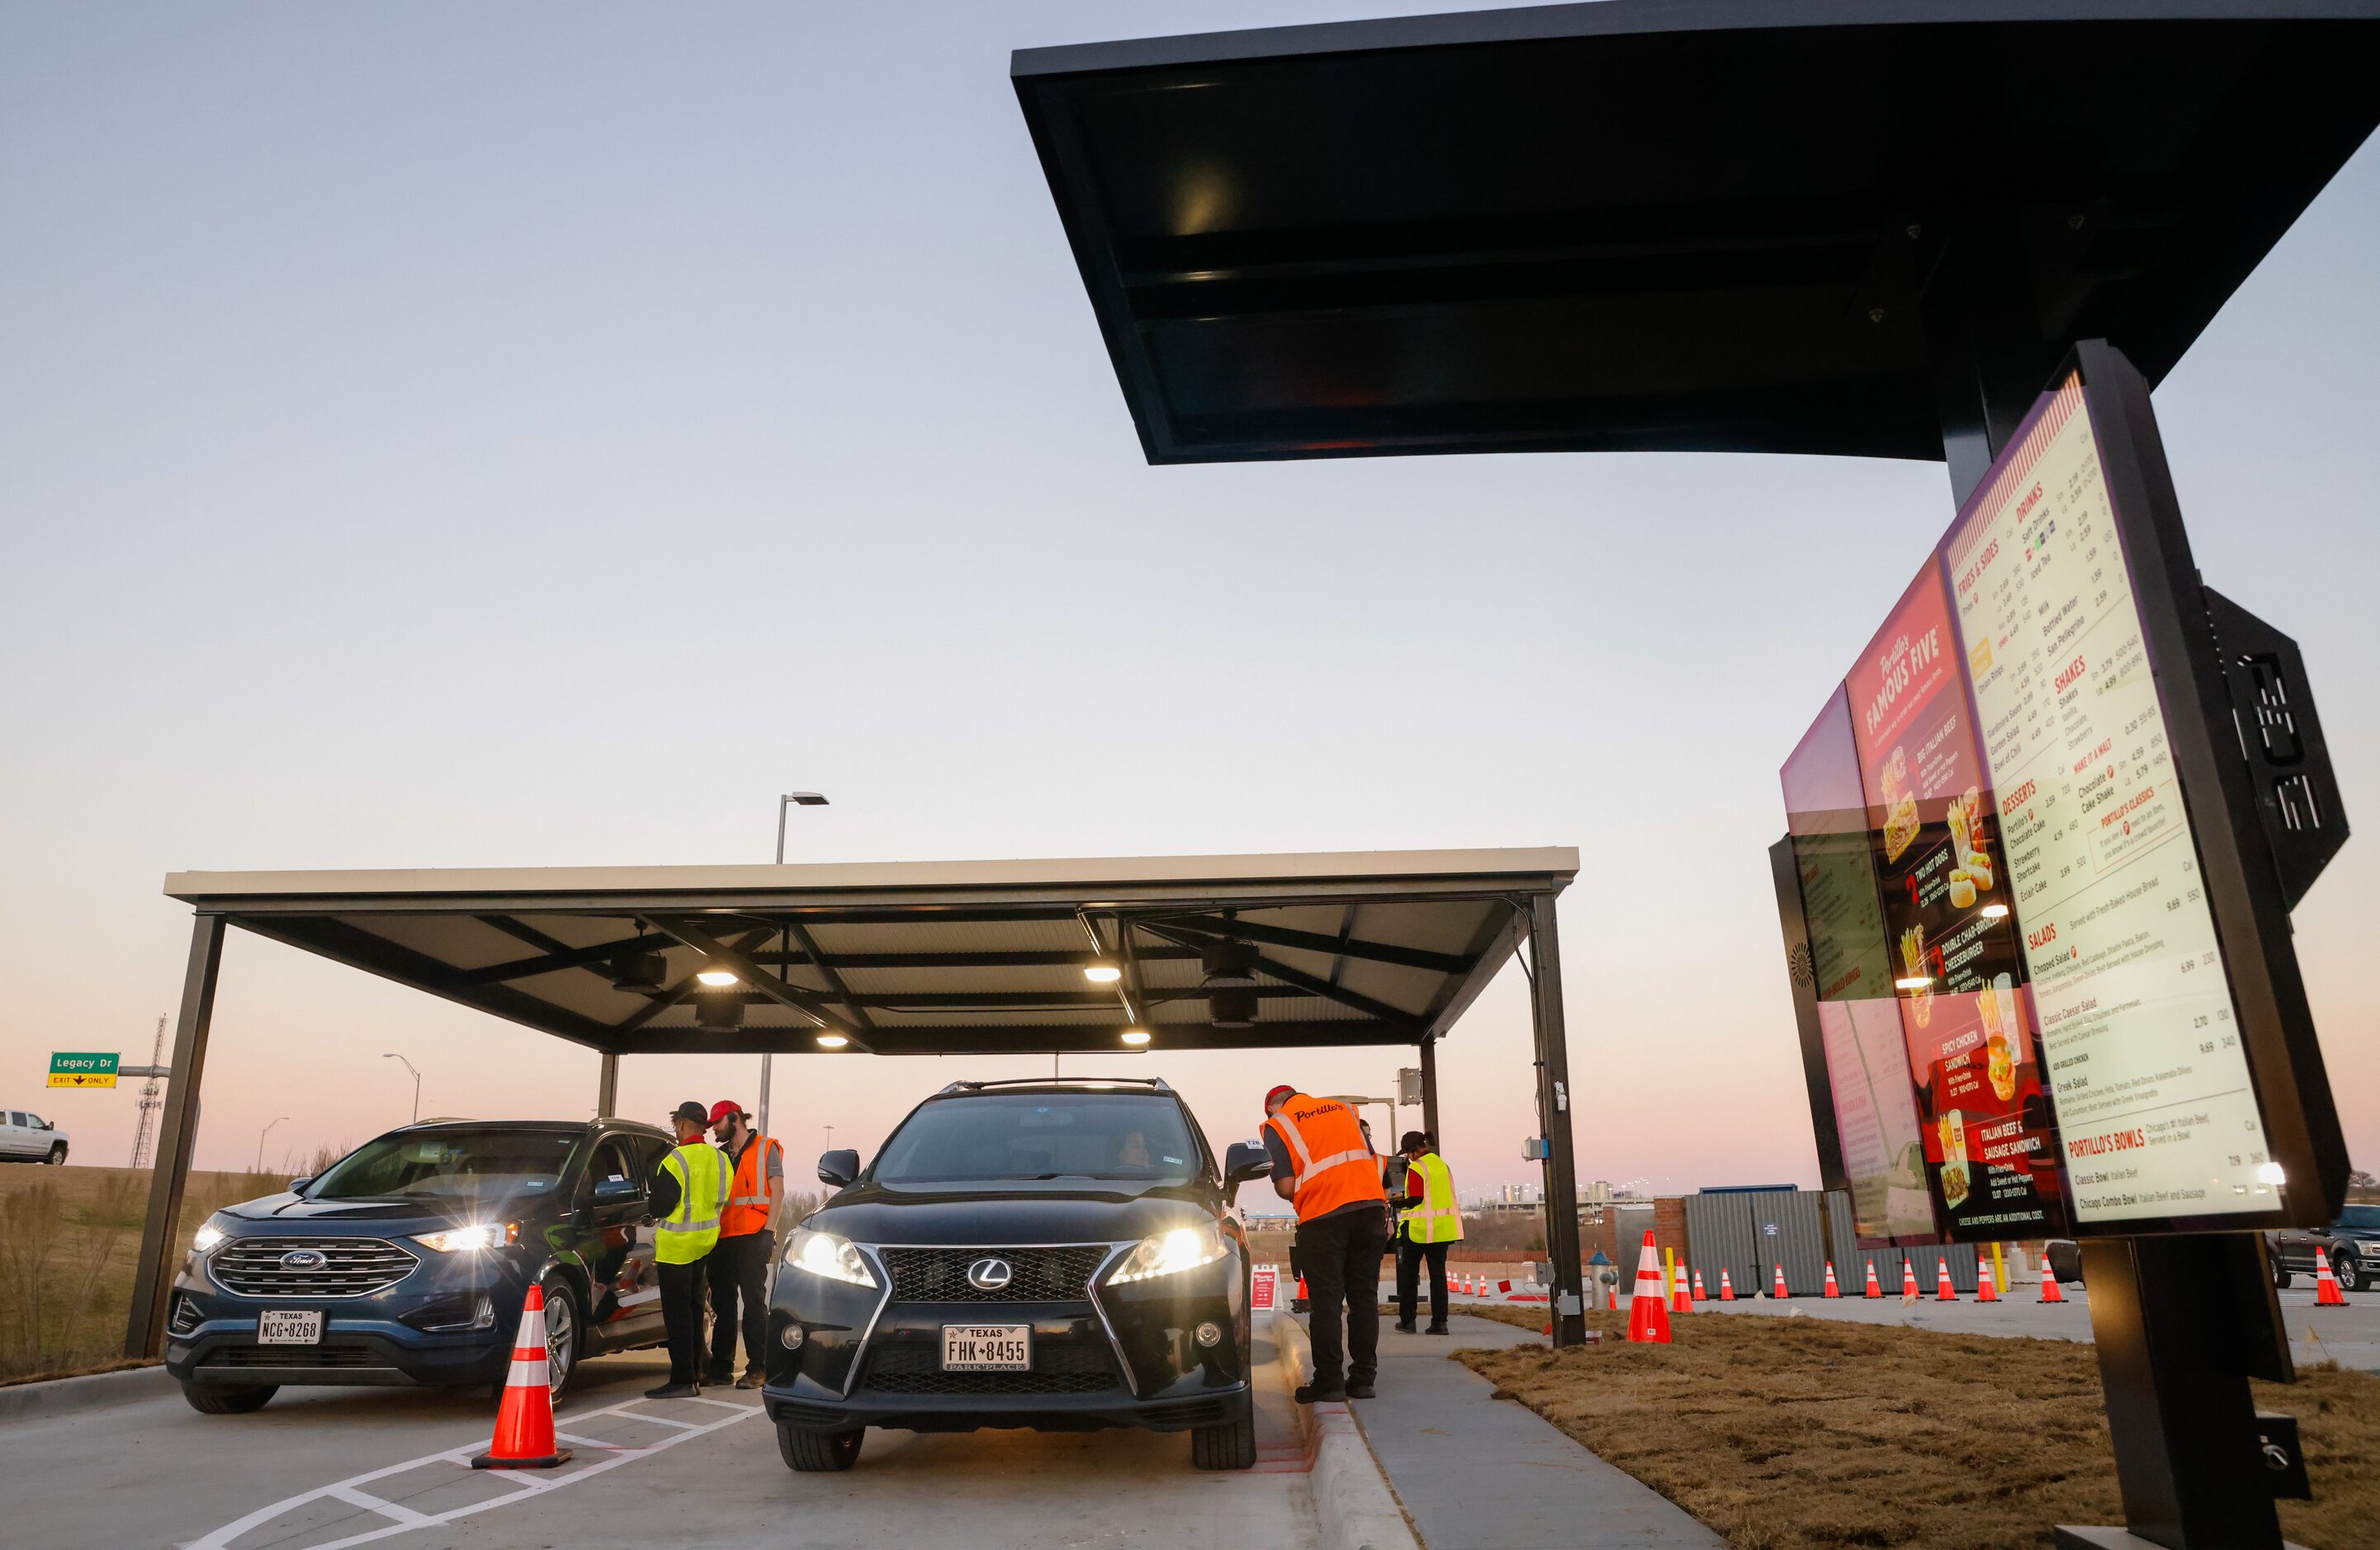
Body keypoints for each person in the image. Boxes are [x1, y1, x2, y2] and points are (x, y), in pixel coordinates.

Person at [1261, 1085, 1389, 1402]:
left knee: (1327, 1301)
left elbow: (1287, 1185)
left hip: (1323, 1214)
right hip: (1370, 1207)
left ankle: (1330, 1382)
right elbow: (1369, 1158)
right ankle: (1363, 1380)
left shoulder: (1277, 1125)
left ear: (1273, 1108)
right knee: (1363, 1296)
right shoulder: (1344, 1110)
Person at [645, 1099, 730, 1398]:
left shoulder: (674, 1161)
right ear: (705, 1126)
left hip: (677, 1248)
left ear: (681, 1125)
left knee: (678, 1316)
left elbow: (659, 1206)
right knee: (695, 1311)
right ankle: (697, 1372)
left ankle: (682, 1380)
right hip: (706, 1243)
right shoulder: (721, 1160)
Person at [705, 1100, 783, 1390]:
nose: (714, 1128)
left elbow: (778, 1189)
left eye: (718, 1123)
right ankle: (722, 1367)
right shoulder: (719, 1155)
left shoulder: (766, 1147)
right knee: (724, 1304)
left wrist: (770, 1231)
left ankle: (759, 1368)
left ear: (734, 1118)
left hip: (753, 1235)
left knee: (753, 1302)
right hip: (723, 1237)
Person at [1392, 1131, 1461, 1335]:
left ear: (1413, 1151)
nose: (1408, 1158)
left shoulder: (1417, 1168)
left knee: (1409, 1276)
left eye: (1407, 1154)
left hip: (1418, 1231)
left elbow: (1416, 1199)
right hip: (1442, 1231)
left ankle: (1408, 1321)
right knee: (1438, 1277)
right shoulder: (1442, 1165)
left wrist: (1396, 1202)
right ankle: (1440, 1323)